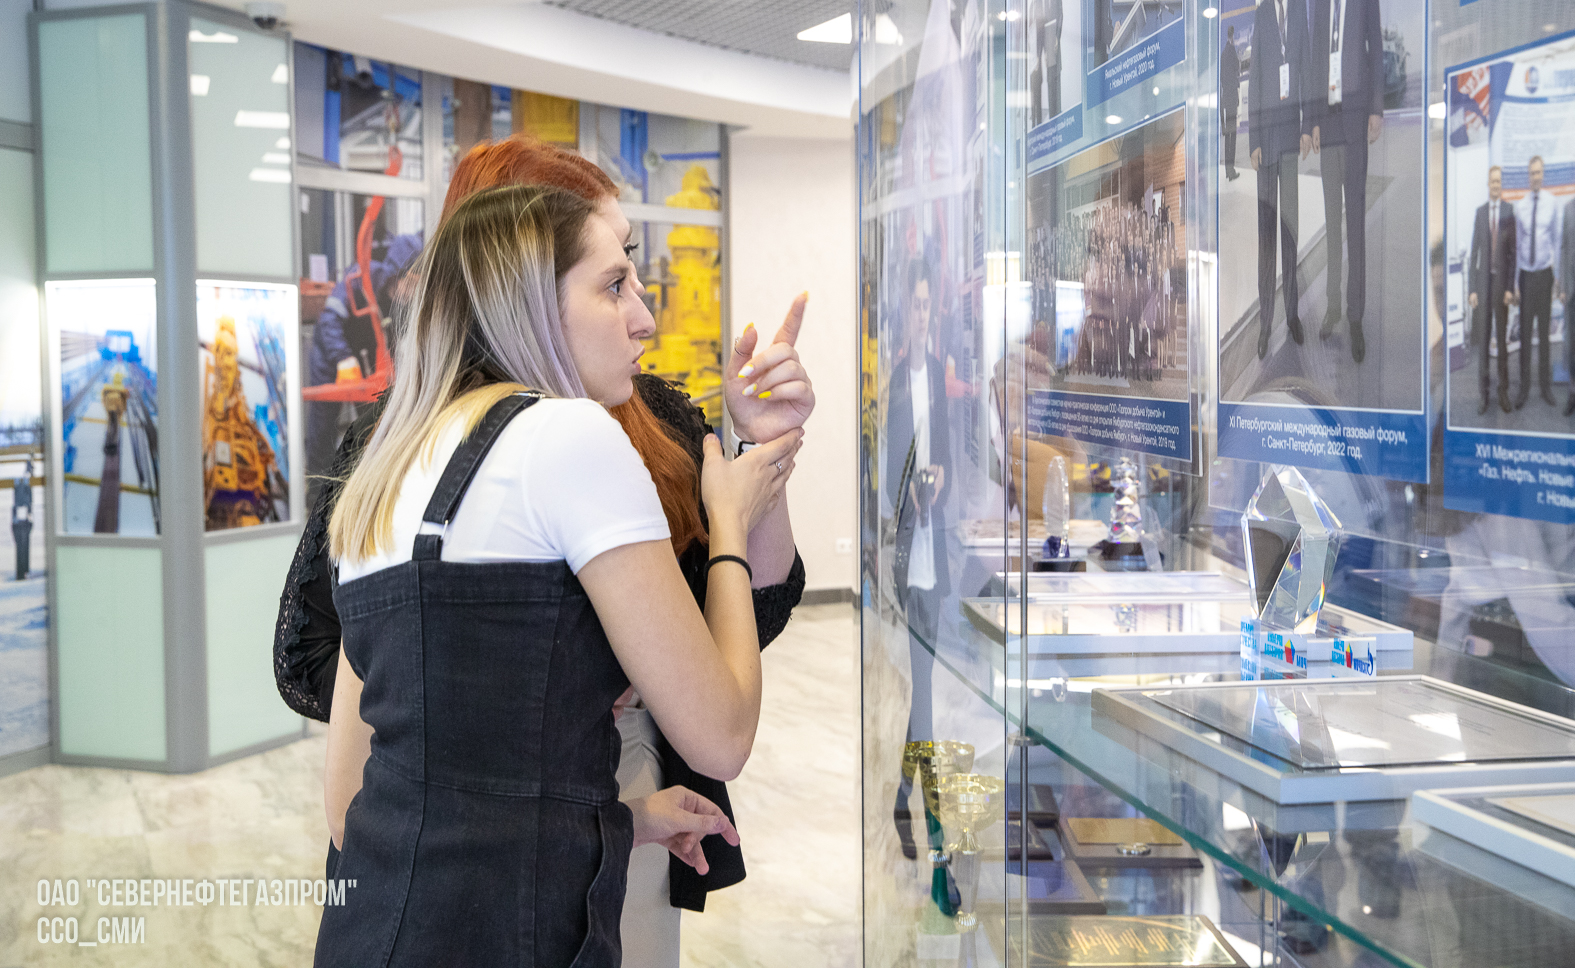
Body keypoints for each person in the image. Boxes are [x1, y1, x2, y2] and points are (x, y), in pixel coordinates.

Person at [277, 136, 813, 968]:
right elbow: (721, 736)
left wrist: (623, 818)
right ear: (526, 295)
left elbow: (352, 806)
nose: (645, 316)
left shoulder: (390, 464)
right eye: (613, 282)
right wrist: (728, 522)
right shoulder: (572, 435)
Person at [886, 257, 953, 862]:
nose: (923, 314)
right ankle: (932, 826)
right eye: (916, 305)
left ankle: (906, 802)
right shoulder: (897, 382)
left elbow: (948, 458)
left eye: (929, 305)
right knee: (925, 691)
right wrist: (907, 489)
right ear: (905, 311)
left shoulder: (938, 373)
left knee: (925, 691)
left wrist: (939, 483)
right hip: (912, 556)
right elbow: (887, 477)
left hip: (939, 551)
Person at [302, 232, 425, 508]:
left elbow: (392, 337)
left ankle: (364, 493)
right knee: (323, 427)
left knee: (371, 425)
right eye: (412, 282)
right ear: (397, 274)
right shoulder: (360, 279)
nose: (413, 291)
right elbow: (329, 320)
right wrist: (343, 358)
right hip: (331, 356)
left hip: (366, 365)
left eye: (418, 283)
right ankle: (317, 498)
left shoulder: (399, 302)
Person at [1308, 0, 1383, 362]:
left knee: (1355, 224)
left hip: (1354, 120)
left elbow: (1376, 47)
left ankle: (1355, 317)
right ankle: (1333, 306)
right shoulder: (1319, 5)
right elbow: (1315, 61)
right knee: (1332, 225)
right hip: (1328, 124)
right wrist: (1312, 120)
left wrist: (1376, 108)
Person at [1250, 0, 1313, 359]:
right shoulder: (1262, 14)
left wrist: (1307, 127)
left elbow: (1305, 71)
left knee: (1290, 232)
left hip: (1290, 140)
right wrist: (1254, 141)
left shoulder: (1300, 11)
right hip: (1266, 144)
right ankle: (1265, 324)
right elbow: (1255, 79)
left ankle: (1292, 315)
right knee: (1266, 240)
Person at [1511, 155, 1561, 409]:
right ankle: (1523, 389)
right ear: (1528, 176)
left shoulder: (1552, 203)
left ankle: (1545, 388)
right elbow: (1517, 246)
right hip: (1526, 277)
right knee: (1525, 334)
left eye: (1539, 173)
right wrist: (1515, 283)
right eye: (1532, 173)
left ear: (1543, 174)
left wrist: (1558, 279)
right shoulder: (1520, 206)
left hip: (1544, 276)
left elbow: (1556, 241)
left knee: (1543, 334)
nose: (1535, 177)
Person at [1467, 166, 1516, 414]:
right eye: (1492, 181)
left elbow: (1513, 254)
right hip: (1483, 287)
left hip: (1501, 287)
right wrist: (1472, 290)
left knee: (1502, 344)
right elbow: (1474, 253)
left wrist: (1509, 288)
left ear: (1501, 184)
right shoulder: (1480, 213)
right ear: (1488, 184)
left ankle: (1503, 393)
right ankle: (1484, 395)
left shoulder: (1509, 211)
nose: (1495, 185)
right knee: (1484, 342)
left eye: (1498, 181)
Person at [1221, 26, 1241, 181]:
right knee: (1232, 136)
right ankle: (1230, 169)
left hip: (1225, 100)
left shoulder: (1223, 54)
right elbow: (1236, 69)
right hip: (1231, 99)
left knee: (1228, 135)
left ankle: (1228, 169)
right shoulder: (1231, 51)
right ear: (1232, 35)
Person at [1561, 193, 1575, 416]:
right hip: (1572, 290)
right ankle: (1573, 392)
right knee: (1572, 344)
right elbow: (1563, 249)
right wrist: (1563, 286)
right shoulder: (1568, 209)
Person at [11, 460, 31, 581]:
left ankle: (23, 572)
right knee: (22, 545)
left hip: (21, 521)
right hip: (21, 521)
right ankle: (22, 572)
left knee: (22, 545)